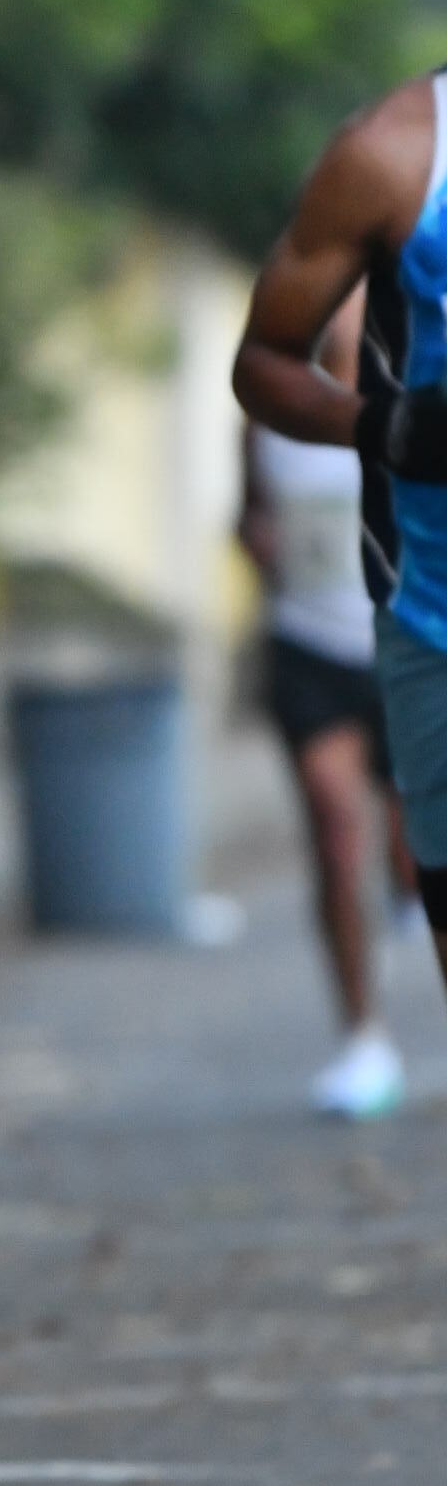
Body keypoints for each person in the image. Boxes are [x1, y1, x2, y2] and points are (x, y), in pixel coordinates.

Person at [234, 62, 447, 999]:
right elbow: (263, 366)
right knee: (341, 827)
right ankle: (360, 1030)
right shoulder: (393, 155)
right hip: (421, 624)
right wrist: (387, 428)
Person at [238, 288, 413, 1118]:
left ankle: (406, 893)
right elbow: (246, 517)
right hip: (309, 645)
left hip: (401, 647)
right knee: (336, 829)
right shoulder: (267, 417)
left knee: (409, 852)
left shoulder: (414, 401)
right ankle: (362, 1038)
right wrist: (259, 539)